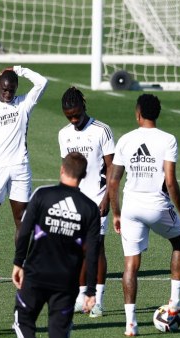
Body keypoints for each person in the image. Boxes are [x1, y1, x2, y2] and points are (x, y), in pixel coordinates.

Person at [12, 152, 100, 338]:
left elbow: (24, 231)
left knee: (22, 320)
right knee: (59, 334)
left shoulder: (42, 195)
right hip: (67, 282)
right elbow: (92, 253)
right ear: (83, 176)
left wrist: (18, 262)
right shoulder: (90, 208)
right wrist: (90, 290)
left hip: (36, 275)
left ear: (62, 169)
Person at [108, 94, 180, 337]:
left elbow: (113, 181)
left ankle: (130, 324)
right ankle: (174, 301)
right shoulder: (168, 139)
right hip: (157, 206)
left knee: (130, 265)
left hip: (131, 208)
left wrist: (116, 213)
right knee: (178, 241)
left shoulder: (125, 140)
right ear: (158, 114)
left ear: (138, 114)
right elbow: (170, 180)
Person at [0, 65, 48, 286]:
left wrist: (19, 69)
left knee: (22, 221)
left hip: (20, 168)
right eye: (4, 89)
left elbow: (42, 82)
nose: (8, 94)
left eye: (12, 90)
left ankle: (21, 269)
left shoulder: (24, 103)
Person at [58, 87, 115, 318]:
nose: (73, 120)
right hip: (74, 202)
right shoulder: (64, 134)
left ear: (84, 106)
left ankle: (97, 301)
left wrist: (107, 198)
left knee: (96, 248)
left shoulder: (102, 130)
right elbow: (66, 169)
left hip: (97, 199)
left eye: (76, 115)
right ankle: (81, 298)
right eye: (69, 116)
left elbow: (112, 168)